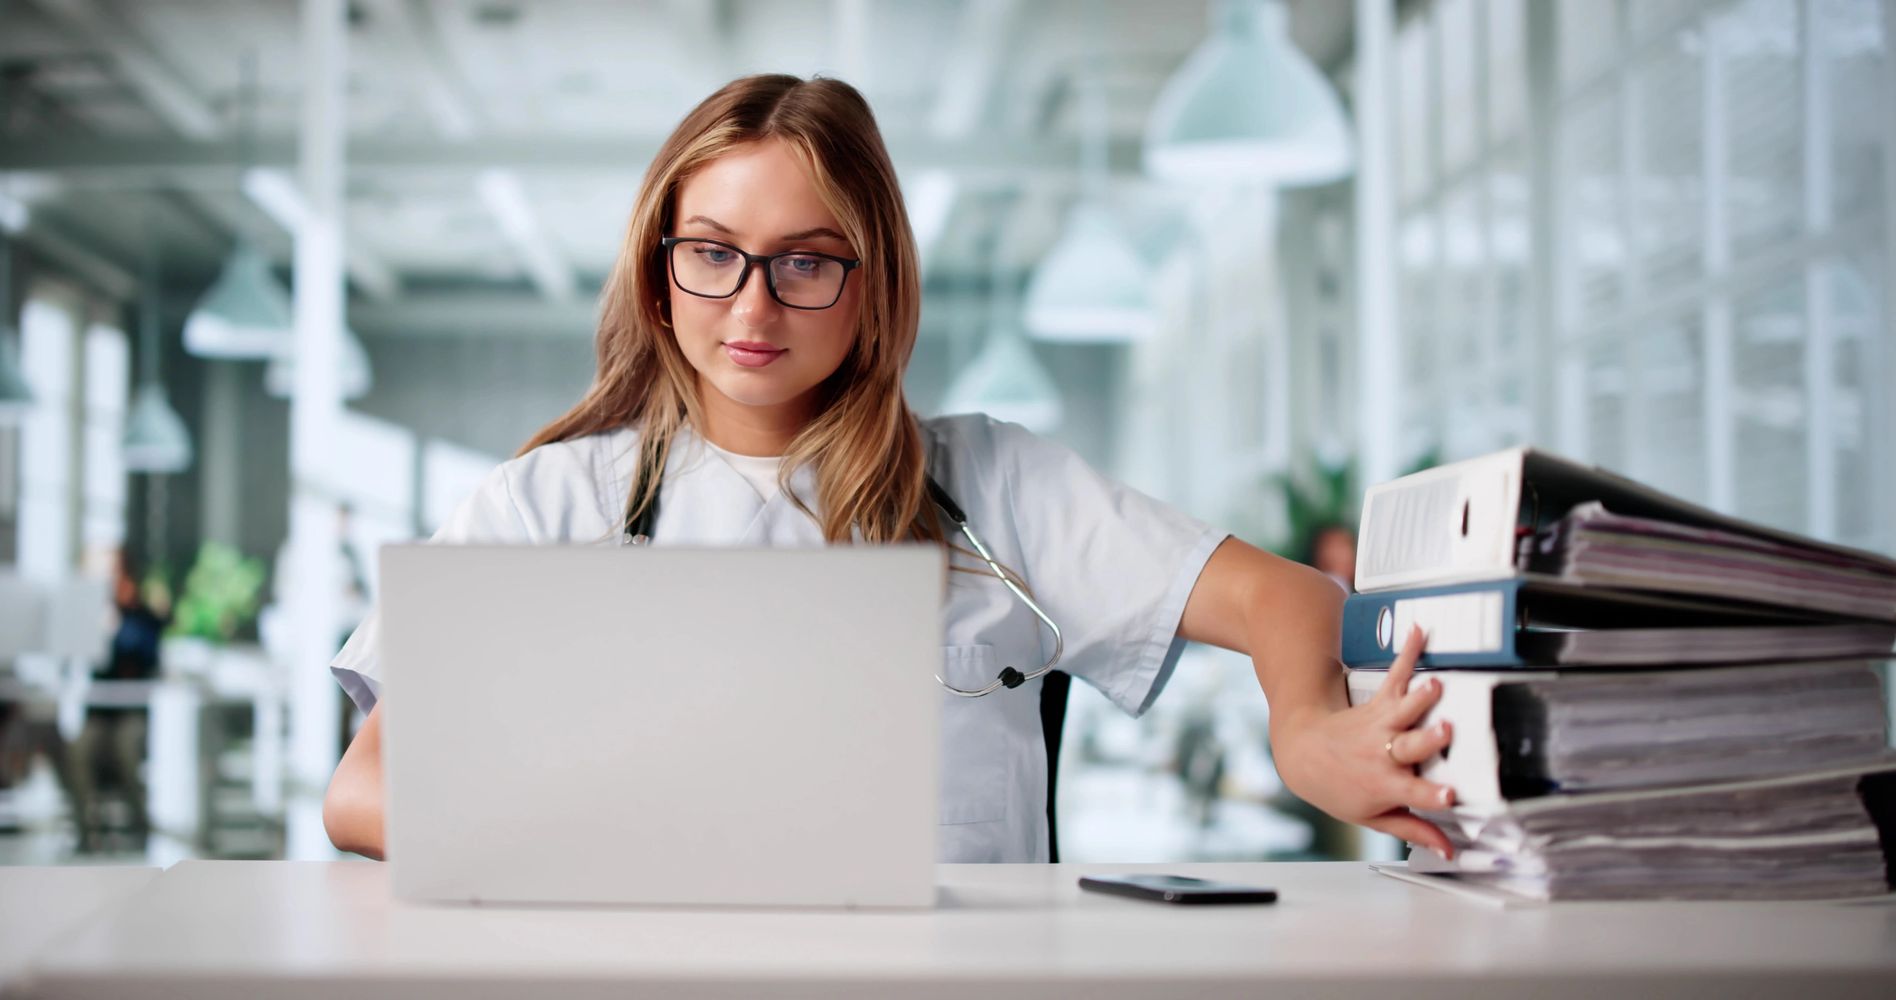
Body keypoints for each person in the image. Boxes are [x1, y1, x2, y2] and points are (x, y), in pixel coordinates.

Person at [321, 75, 1455, 863]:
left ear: (873, 286)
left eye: (806, 262)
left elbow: (1285, 595)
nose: (754, 303)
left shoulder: (994, 486)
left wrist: (1305, 728)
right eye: (713, 253)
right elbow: (366, 789)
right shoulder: (543, 507)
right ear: (660, 273)